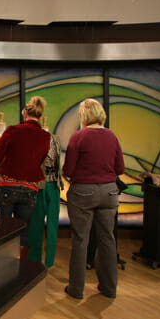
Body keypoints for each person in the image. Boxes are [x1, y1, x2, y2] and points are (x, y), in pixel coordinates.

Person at [63, 98, 124, 300]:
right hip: (109, 193)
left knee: (81, 240)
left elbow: (68, 170)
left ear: (83, 116)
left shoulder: (78, 137)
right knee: (107, 239)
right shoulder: (112, 137)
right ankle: (109, 288)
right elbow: (120, 169)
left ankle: (76, 289)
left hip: (83, 192)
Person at [0, 96, 51, 259]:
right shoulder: (45, 136)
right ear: (40, 116)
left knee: (2, 229)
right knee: (24, 231)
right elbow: (41, 160)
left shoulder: (13, 130)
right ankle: (20, 264)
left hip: (7, 185)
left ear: (24, 113)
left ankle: (2, 264)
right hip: (30, 188)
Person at [28, 118, 63, 267]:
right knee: (36, 224)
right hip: (39, 185)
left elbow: (58, 162)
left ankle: (49, 261)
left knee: (53, 224)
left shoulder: (56, 139)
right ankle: (34, 259)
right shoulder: (35, 140)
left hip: (54, 184)